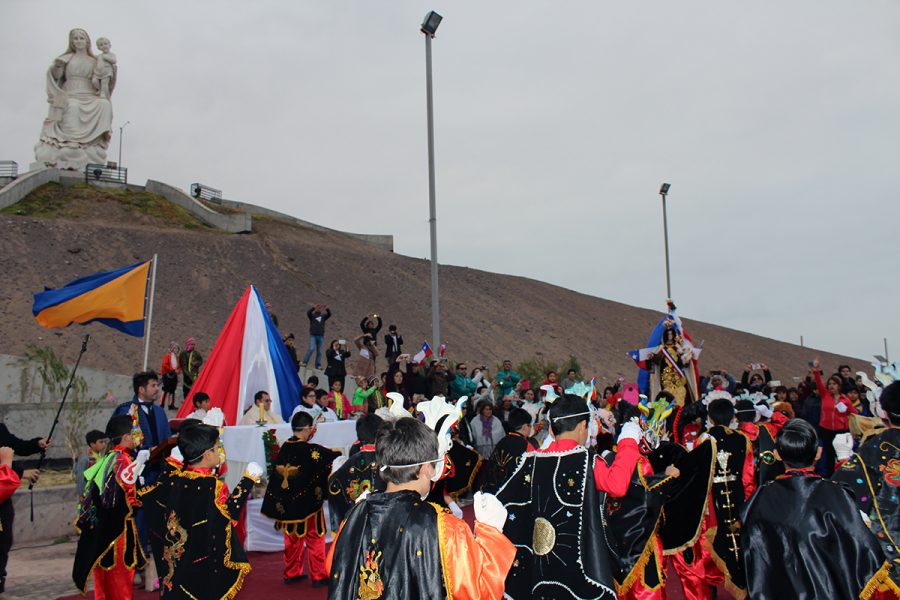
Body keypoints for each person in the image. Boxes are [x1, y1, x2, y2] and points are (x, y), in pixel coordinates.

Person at [326, 416, 516, 599]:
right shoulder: (443, 525)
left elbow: (333, 566)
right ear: (425, 468)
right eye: (434, 466)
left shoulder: (354, 514)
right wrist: (492, 533)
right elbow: (477, 592)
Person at [495, 394, 642, 599]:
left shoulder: (531, 460)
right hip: (580, 569)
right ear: (583, 425)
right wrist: (628, 441)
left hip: (541, 568)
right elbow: (617, 485)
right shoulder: (585, 461)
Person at [742, 419, 895, 599]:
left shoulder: (758, 499)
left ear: (777, 454)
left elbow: (753, 558)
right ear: (819, 453)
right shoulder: (836, 495)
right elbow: (863, 548)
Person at [147, 424, 262, 598]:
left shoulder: (176, 478)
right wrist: (247, 481)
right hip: (200, 556)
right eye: (217, 448)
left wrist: (172, 462)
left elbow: (152, 495)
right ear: (207, 455)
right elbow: (226, 516)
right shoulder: (212, 486)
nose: (220, 451)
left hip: (178, 555)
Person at [673, 397, 754, 600]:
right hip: (737, 497)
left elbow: (699, 476)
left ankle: (712, 584)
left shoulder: (704, 440)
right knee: (738, 540)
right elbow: (748, 477)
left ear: (709, 417)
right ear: (732, 417)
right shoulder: (743, 439)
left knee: (713, 541)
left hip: (713, 499)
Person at [833, 381, 900, 590]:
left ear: (884, 413)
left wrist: (843, 458)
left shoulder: (872, 448)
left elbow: (843, 493)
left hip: (891, 557)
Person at [73, 415, 149, 599]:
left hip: (103, 532)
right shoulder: (123, 460)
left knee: (103, 585)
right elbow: (128, 498)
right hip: (118, 534)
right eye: (135, 433)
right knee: (120, 585)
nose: (138, 436)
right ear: (126, 437)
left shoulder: (109, 458)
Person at [261, 412, 341, 586]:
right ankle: (319, 575)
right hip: (307, 503)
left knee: (291, 538)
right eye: (311, 427)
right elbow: (332, 457)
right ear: (306, 428)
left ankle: (292, 572)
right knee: (315, 537)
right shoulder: (308, 450)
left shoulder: (285, 448)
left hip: (288, 503)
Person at [34, 28, 114, 170]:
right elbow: (57, 75)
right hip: (70, 92)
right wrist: (56, 67)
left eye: (81, 38)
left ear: (87, 41)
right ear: (71, 42)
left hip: (89, 92)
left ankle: (92, 145)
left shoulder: (95, 60)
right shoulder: (67, 58)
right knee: (73, 106)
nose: (78, 41)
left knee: (104, 104)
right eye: (75, 39)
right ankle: (70, 142)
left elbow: (104, 75)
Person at [0, 424, 45, 593]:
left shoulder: (0, 430)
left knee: (4, 541)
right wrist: (19, 471)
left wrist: (36, 444)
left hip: (3, 501)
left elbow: (15, 445)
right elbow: (5, 460)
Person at [112, 371, 171, 485]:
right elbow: (119, 441)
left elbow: (166, 437)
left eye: (157, 385)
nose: (157, 389)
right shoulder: (126, 411)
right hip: (136, 472)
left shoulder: (159, 411)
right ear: (141, 389)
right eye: (153, 385)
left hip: (160, 471)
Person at [327, 414, 386, 524]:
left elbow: (334, 488)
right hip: (384, 522)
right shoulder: (388, 463)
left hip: (354, 525)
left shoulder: (346, 465)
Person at [811, 357, 857, 476]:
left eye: (834, 384)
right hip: (826, 430)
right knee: (829, 455)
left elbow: (854, 414)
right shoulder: (825, 394)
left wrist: (845, 412)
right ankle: (831, 476)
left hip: (841, 431)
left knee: (841, 455)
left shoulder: (845, 399)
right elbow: (818, 382)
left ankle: (843, 475)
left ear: (839, 385)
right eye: (830, 384)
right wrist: (816, 370)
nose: (831, 386)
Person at [480, 408, 536, 491]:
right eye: (529, 425)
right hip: (516, 491)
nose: (530, 428)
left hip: (495, 490)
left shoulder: (502, 441)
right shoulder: (527, 445)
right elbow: (532, 469)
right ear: (524, 427)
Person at [73, 429, 108, 497]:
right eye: (101, 442)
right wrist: (82, 494)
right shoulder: (85, 459)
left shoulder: (101, 457)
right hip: (89, 494)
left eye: (104, 442)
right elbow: (81, 478)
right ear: (92, 444)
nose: (104, 444)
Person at [303, 304, 332, 370]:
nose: (319, 309)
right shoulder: (312, 316)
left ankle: (318, 365)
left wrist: (327, 309)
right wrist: (313, 307)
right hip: (313, 335)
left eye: (320, 308)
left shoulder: (323, 316)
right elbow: (308, 312)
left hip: (321, 336)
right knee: (311, 348)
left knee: (319, 351)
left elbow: (329, 314)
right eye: (318, 308)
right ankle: (305, 362)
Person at [159, 342, 180, 410]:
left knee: (172, 390)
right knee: (165, 389)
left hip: (174, 376)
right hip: (167, 375)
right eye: (174, 348)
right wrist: (172, 370)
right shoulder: (167, 356)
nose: (176, 349)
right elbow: (164, 365)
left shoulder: (177, 358)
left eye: (177, 348)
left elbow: (178, 366)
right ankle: (161, 404)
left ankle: (171, 405)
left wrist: (178, 370)